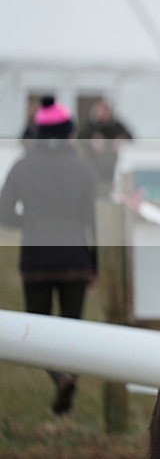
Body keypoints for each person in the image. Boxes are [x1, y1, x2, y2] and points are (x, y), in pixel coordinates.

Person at [0, 96, 97, 416]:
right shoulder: (82, 168)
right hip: (75, 260)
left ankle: (59, 377)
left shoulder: (22, 166)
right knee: (73, 331)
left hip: (36, 258)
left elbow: (3, 212)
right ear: (68, 133)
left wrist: (27, 221)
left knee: (35, 331)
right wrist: (93, 264)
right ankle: (67, 377)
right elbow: (90, 220)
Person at [77, 97, 133, 196]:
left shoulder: (116, 126)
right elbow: (79, 138)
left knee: (107, 186)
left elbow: (131, 137)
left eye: (106, 111)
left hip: (109, 163)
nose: (103, 114)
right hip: (92, 161)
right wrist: (92, 140)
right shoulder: (89, 125)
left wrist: (120, 138)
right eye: (101, 111)